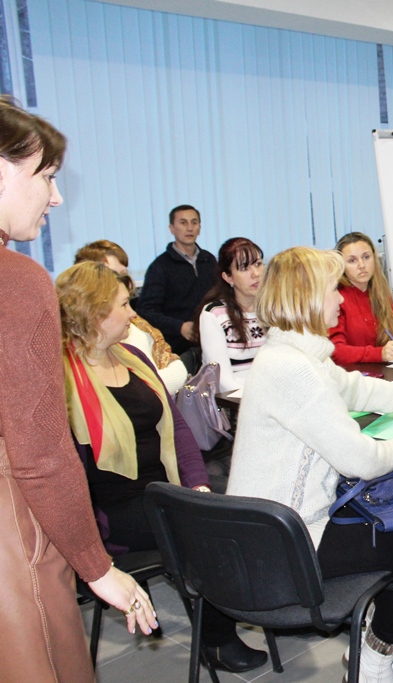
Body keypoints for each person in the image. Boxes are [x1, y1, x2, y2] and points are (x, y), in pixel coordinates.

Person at [227, 246, 393, 683]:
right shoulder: (296, 370)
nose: (339, 299)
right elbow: (363, 460)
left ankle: (375, 635)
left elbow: (359, 390)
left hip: (269, 530)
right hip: (284, 545)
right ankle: (373, 661)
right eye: (331, 290)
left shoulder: (292, 354)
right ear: (307, 297)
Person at [0, 97, 156, 683]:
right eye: (46, 176)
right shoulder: (17, 283)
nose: (56, 197)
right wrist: (97, 567)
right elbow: (39, 453)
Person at [56, 261, 268, 673]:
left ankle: (244, 610)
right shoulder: (62, 379)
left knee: (234, 511)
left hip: (162, 491)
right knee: (206, 529)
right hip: (112, 512)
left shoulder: (133, 357)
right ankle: (217, 640)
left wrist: (198, 484)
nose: (133, 313)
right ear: (96, 314)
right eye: (124, 305)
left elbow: (177, 429)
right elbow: (71, 476)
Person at [75, 239, 189, 394]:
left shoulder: (136, 323)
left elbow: (177, 367)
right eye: (112, 275)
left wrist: (148, 385)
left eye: (123, 274)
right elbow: (124, 389)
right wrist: (151, 386)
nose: (122, 282)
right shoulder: (87, 339)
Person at [135, 204, 217, 354]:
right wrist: (179, 327)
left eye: (194, 222)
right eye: (183, 223)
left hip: (211, 338)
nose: (190, 228)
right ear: (172, 228)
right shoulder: (160, 267)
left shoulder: (209, 260)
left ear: (199, 228)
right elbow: (146, 311)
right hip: (177, 346)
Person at [197, 237, 266, 393]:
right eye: (244, 268)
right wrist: (257, 403)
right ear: (228, 277)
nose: (256, 274)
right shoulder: (214, 314)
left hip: (271, 395)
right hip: (231, 400)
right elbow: (223, 382)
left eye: (258, 264)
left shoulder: (274, 308)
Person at [328, 232, 393, 364]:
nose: (362, 265)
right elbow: (335, 352)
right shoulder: (337, 299)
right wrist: (379, 353)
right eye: (352, 260)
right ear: (341, 266)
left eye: (366, 257)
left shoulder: (382, 294)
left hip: (385, 369)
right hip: (352, 373)